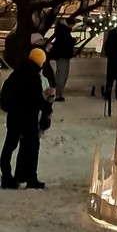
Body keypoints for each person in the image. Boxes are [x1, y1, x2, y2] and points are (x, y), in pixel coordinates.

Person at [0, 47, 52, 188]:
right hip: (28, 118)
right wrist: (47, 105)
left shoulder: (17, 73)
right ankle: (31, 178)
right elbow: (36, 99)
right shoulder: (33, 75)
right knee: (32, 147)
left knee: (9, 146)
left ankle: (6, 177)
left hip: (14, 116)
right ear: (40, 62)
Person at [50, 20, 76, 102]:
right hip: (63, 55)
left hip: (62, 55)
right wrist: (73, 41)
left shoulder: (61, 30)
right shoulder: (64, 31)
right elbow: (65, 43)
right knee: (62, 74)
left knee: (61, 74)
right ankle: (58, 94)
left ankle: (58, 93)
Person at [103, 22, 117, 101]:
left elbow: (107, 45)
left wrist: (108, 54)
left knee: (110, 78)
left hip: (113, 58)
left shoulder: (113, 32)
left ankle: (108, 93)